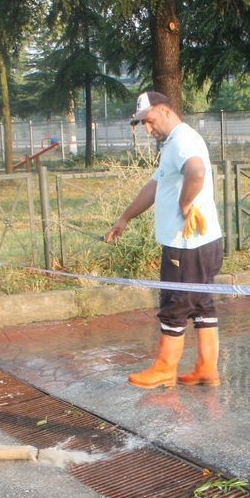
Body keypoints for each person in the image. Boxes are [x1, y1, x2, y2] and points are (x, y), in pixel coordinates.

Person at [106, 91, 223, 389]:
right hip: (203, 242)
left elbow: (196, 171)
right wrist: (124, 218)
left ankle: (164, 369)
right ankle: (206, 369)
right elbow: (154, 187)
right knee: (201, 304)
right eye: (143, 124)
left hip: (186, 246)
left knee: (175, 304)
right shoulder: (175, 142)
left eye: (150, 121)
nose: (148, 129)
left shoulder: (182, 140)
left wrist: (185, 203)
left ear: (165, 110)